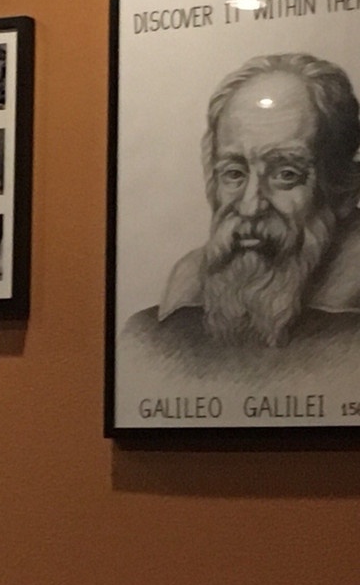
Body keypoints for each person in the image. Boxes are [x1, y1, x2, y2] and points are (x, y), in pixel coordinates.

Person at [122, 53, 360, 380]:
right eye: (234, 173)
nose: (251, 206)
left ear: (345, 188)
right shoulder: (166, 325)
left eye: (286, 174)